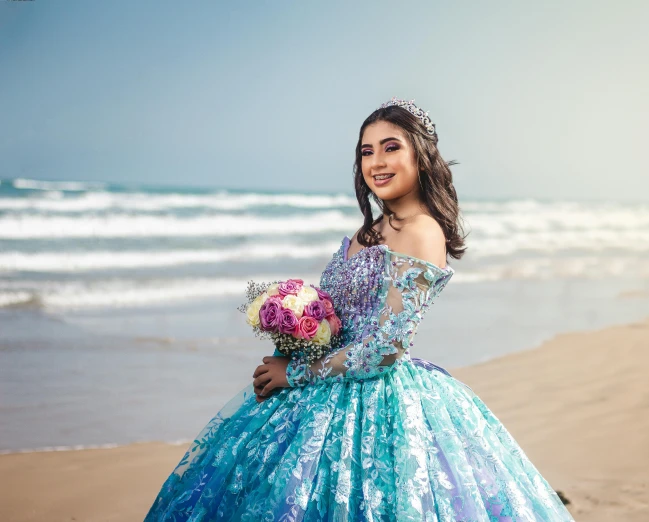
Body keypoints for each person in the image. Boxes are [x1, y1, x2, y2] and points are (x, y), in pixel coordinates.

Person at [145, 97, 576, 521]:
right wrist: (293, 338)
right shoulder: (370, 230)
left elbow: (385, 348)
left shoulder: (423, 231)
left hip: (376, 398)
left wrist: (293, 374)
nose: (376, 162)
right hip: (325, 382)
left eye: (392, 147)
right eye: (366, 151)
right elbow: (337, 317)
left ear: (421, 157)